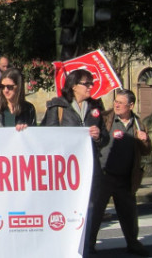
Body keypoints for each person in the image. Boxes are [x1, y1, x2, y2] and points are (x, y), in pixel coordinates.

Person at [42, 68, 109, 256]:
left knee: (90, 208)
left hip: (89, 167)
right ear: (73, 86)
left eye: (91, 83)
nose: (90, 87)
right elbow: (47, 136)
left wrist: (98, 136)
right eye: (86, 84)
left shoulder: (96, 107)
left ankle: (87, 247)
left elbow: (105, 138)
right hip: (65, 170)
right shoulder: (58, 107)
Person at [88, 89, 151, 256]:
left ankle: (133, 243)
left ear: (130, 105)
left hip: (126, 178)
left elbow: (146, 151)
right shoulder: (106, 118)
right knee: (96, 213)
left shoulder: (138, 124)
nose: (116, 104)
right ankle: (89, 245)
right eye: (116, 101)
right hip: (104, 175)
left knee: (129, 213)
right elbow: (96, 138)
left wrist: (145, 141)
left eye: (121, 103)